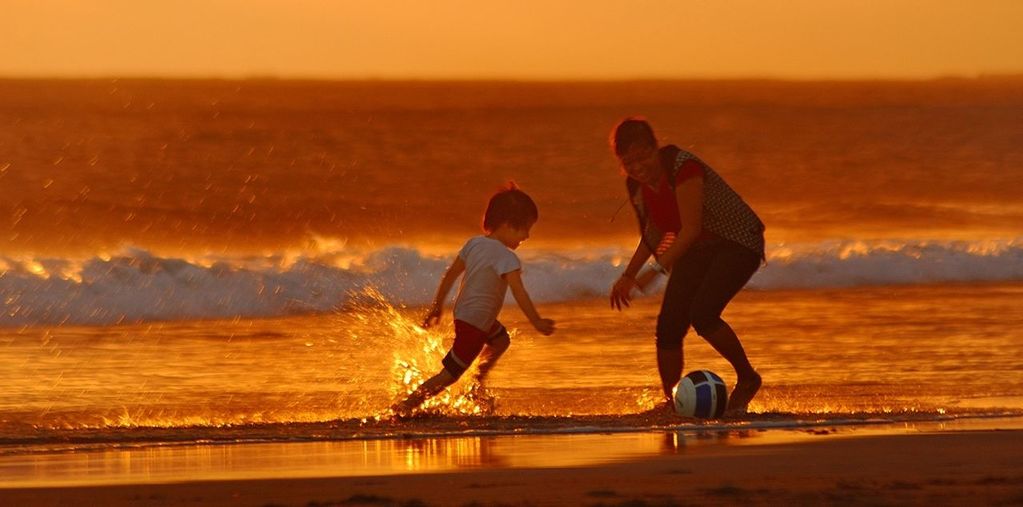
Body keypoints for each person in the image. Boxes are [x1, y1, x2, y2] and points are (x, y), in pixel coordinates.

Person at [608, 117, 765, 414]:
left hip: (737, 242)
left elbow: (690, 228)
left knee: (703, 314)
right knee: (668, 327)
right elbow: (653, 233)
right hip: (696, 249)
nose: (638, 168)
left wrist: (653, 273)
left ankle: (747, 377)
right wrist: (627, 276)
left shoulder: (682, 166)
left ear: (656, 148)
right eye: (629, 163)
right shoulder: (637, 186)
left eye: (643, 157)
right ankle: (673, 403)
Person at [393, 184, 556, 416]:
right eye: (525, 230)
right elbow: (520, 292)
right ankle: (406, 405)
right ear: (509, 225)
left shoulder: (474, 244)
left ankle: (476, 384)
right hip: (476, 323)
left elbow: (451, 273)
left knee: (500, 342)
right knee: (450, 374)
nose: (527, 236)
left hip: (468, 315)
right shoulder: (507, 259)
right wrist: (537, 322)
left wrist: (437, 306)